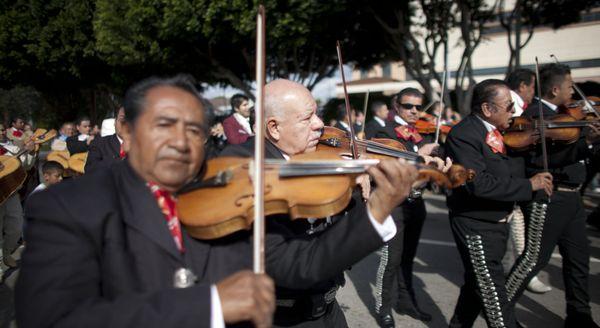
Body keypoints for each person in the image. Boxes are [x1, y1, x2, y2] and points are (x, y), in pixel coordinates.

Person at [16, 75, 276, 328]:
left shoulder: (224, 200)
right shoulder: (67, 206)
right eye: (164, 125)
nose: (181, 142)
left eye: (194, 130)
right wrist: (208, 306)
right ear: (128, 132)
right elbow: (53, 320)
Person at [221, 79, 420, 328]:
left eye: (318, 114)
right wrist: (381, 207)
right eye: (307, 118)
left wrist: (359, 192)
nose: (320, 125)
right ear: (273, 128)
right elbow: (294, 262)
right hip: (282, 316)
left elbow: (336, 235)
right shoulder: (245, 166)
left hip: (327, 308)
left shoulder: (311, 160)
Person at [444, 79, 554, 328]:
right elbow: (478, 184)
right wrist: (529, 186)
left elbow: (512, 169)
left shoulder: (502, 132)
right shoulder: (464, 134)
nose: (514, 112)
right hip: (475, 225)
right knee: (496, 303)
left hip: (498, 223)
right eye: (508, 107)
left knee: (475, 287)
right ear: (487, 109)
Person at [507, 63, 600, 327]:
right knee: (534, 259)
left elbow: (580, 157)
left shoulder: (566, 115)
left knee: (578, 260)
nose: (573, 93)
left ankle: (579, 316)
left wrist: (592, 144)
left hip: (572, 198)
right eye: (570, 87)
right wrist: (586, 144)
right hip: (550, 197)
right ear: (556, 88)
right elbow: (540, 160)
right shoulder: (535, 117)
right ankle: (500, 308)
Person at [374, 88, 449, 327]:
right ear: (396, 105)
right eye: (408, 106)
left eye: (418, 106)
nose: (414, 111)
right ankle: (383, 308)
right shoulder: (382, 131)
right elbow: (386, 162)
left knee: (408, 258)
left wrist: (440, 164)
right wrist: (419, 153)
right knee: (391, 259)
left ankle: (407, 302)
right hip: (393, 203)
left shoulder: (422, 134)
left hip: (417, 203)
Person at [505, 68, 552, 294]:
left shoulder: (522, 107)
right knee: (518, 223)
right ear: (522, 86)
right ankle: (525, 272)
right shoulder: (511, 105)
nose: (534, 92)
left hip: (517, 175)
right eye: (532, 86)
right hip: (513, 175)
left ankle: (508, 265)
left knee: (513, 223)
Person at [0, 123, 36, 268]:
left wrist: (31, 153)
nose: (2, 132)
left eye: (2, 129)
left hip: (11, 192)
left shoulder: (12, 148)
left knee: (16, 227)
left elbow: (26, 166)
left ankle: (7, 253)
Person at [85, 107, 126, 173]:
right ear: (115, 122)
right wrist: (120, 161)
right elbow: (90, 169)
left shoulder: (144, 146)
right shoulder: (99, 143)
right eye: (122, 119)